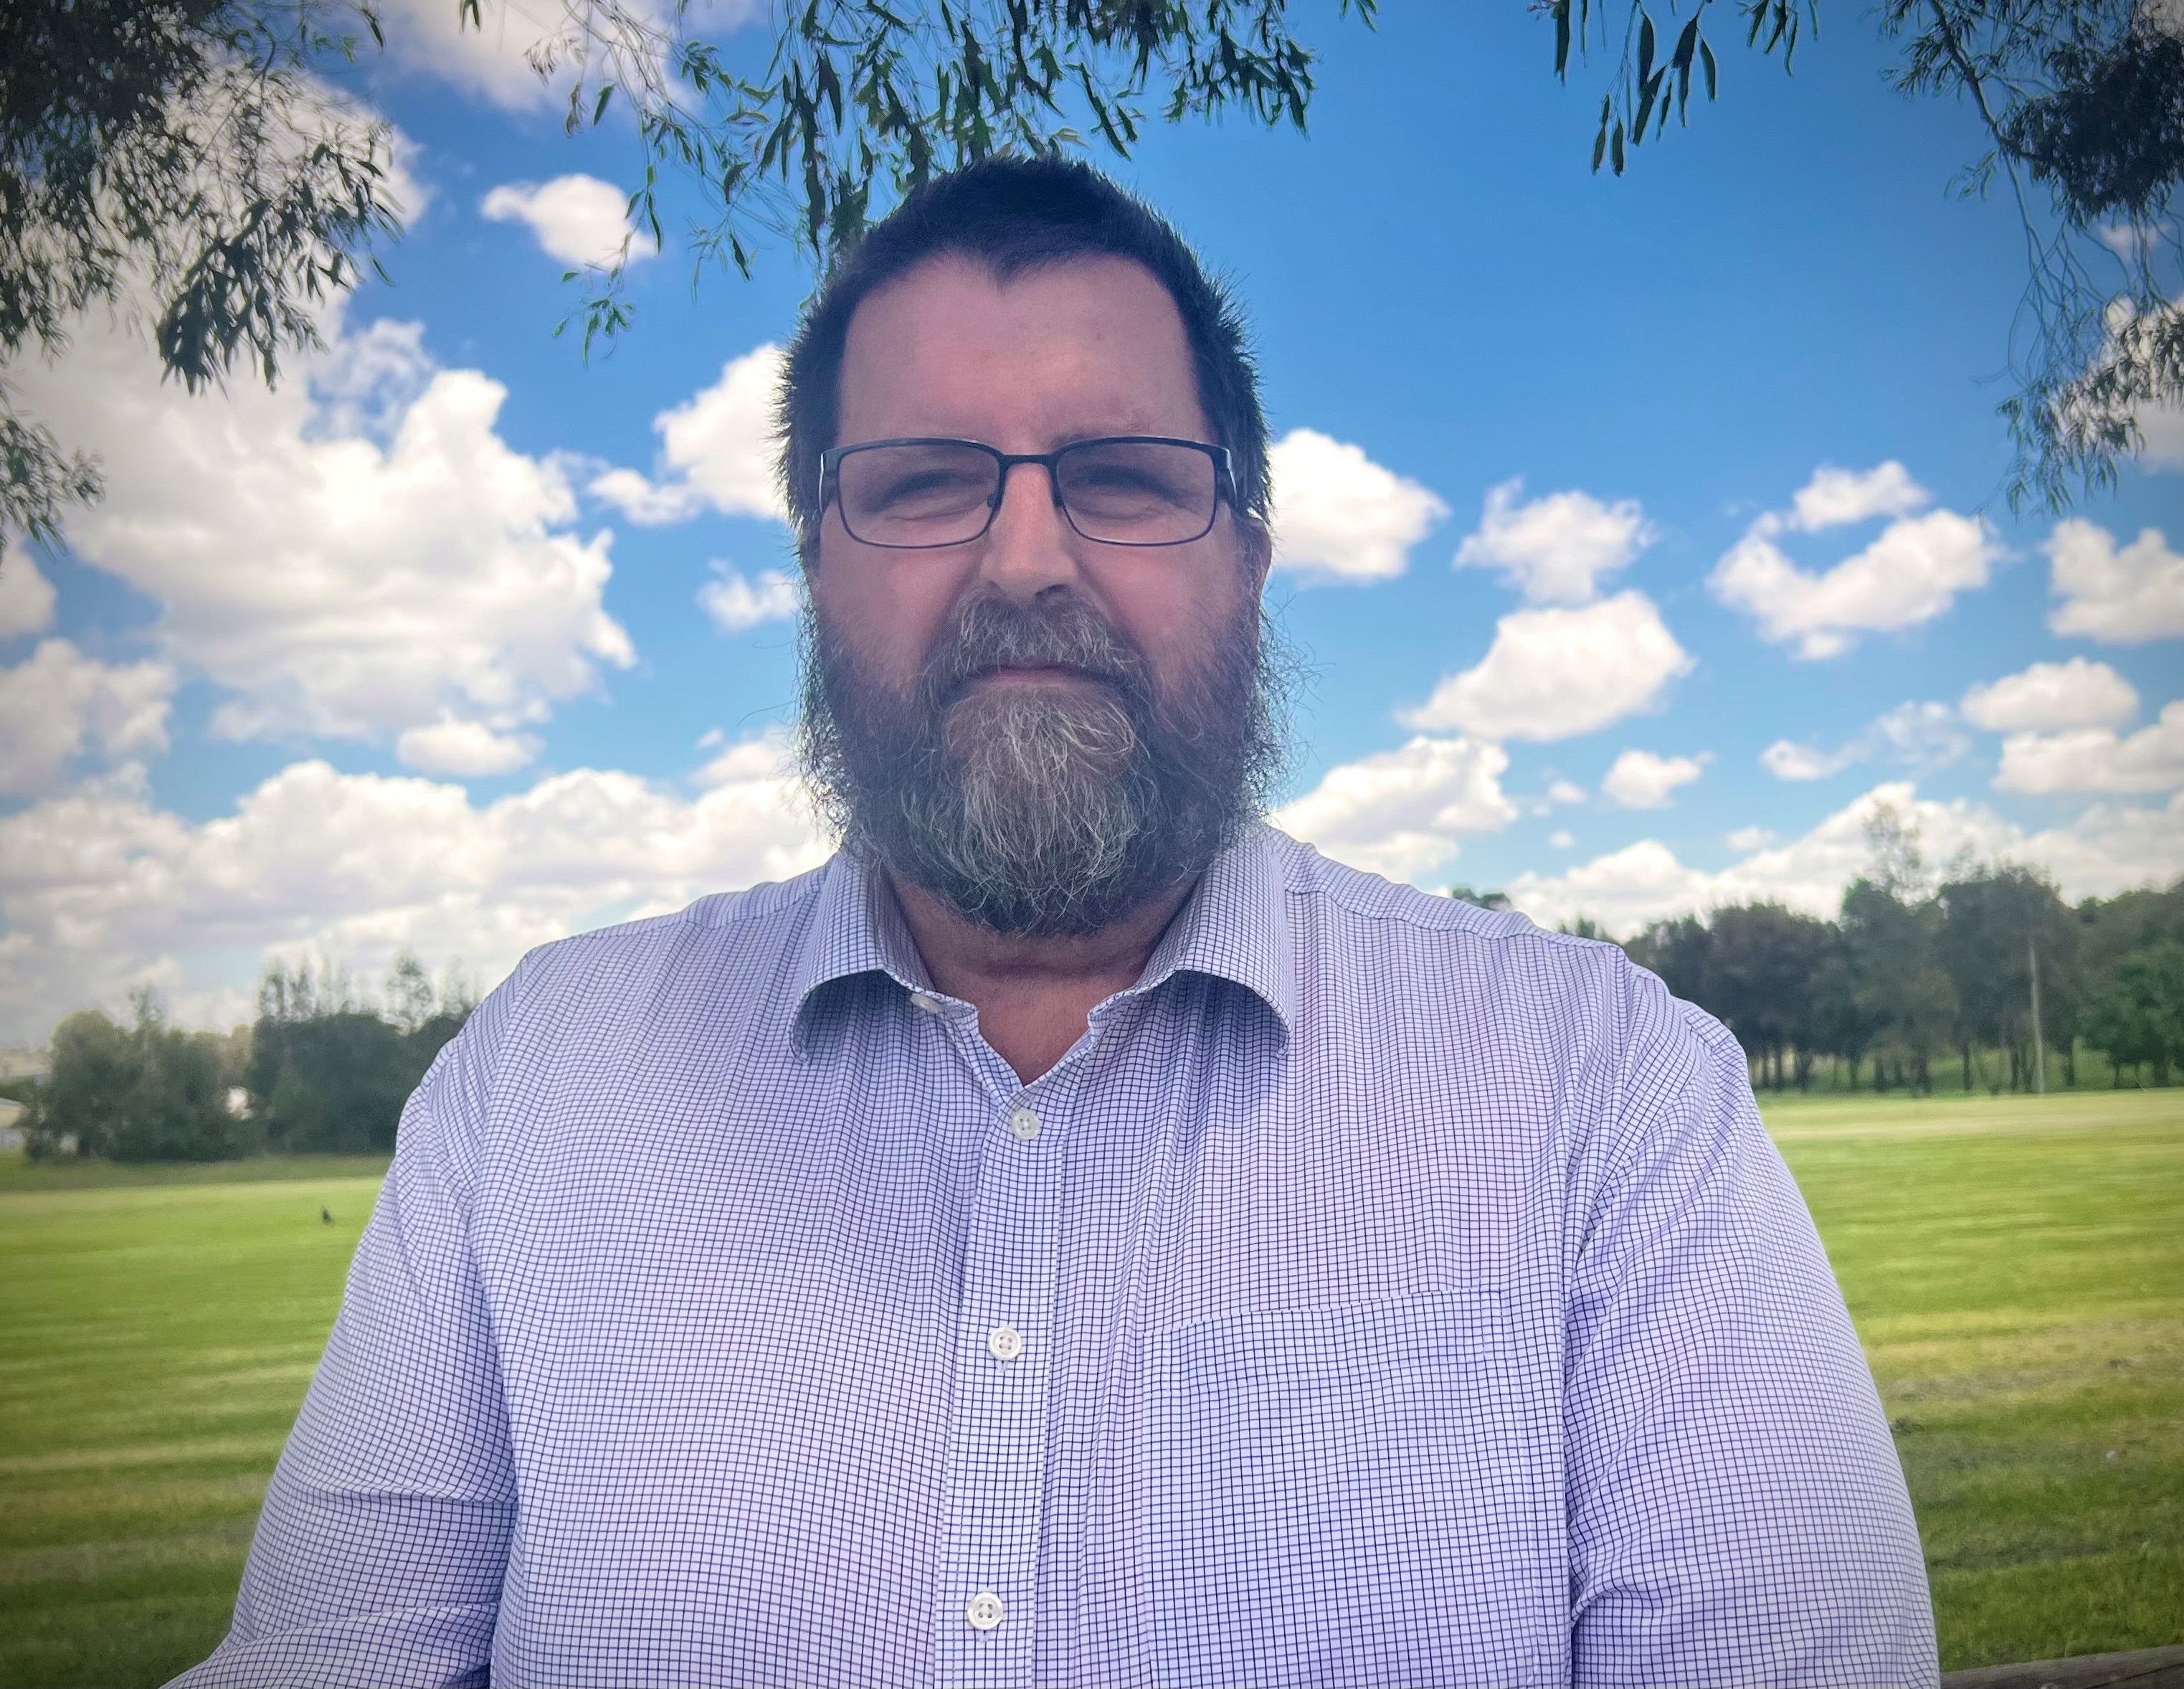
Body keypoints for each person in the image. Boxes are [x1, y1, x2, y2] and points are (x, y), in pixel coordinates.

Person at [174, 159, 1937, 1689]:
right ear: (814, 559)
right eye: (929, 479)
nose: (1025, 557)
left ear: (1244, 552)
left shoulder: (1606, 1093)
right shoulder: (538, 1078)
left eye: (1122, 472)